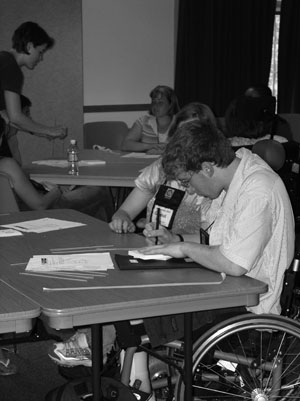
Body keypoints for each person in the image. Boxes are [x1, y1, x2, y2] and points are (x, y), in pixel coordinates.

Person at [140, 120, 295, 317]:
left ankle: (115, 342)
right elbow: (216, 241)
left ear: (207, 168)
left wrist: (183, 248)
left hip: (249, 304)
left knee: (147, 303)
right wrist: (175, 239)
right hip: (225, 287)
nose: (188, 190)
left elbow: (234, 263)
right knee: (145, 291)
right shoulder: (231, 176)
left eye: (187, 182)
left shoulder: (257, 190)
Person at [110, 102, 218, 235]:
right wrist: (122, 220)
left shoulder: (214, 176)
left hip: (193, 252)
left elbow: (213, 239)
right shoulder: (161, 168)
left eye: (194, 134)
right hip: (154, 248)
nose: (187, 140)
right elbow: (124, 212)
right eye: (181, 134)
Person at [0, 21, 67, 152]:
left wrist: (42, 132)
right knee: (14, 170)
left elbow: (8, 118)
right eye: (40, 52)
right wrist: (49, 130)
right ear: (30, 46)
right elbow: (15, 116)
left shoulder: (3, 60)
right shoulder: (11, 67)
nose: (40, 58)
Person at [121, 85, 179, 154]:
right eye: (154, 102)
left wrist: (162, 151)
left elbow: (187, 148)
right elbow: (125, 145)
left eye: (160, 103)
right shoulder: (143, 121)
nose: (156, 106)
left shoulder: (181, 122)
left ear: (170, 105)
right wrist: (150, 146)